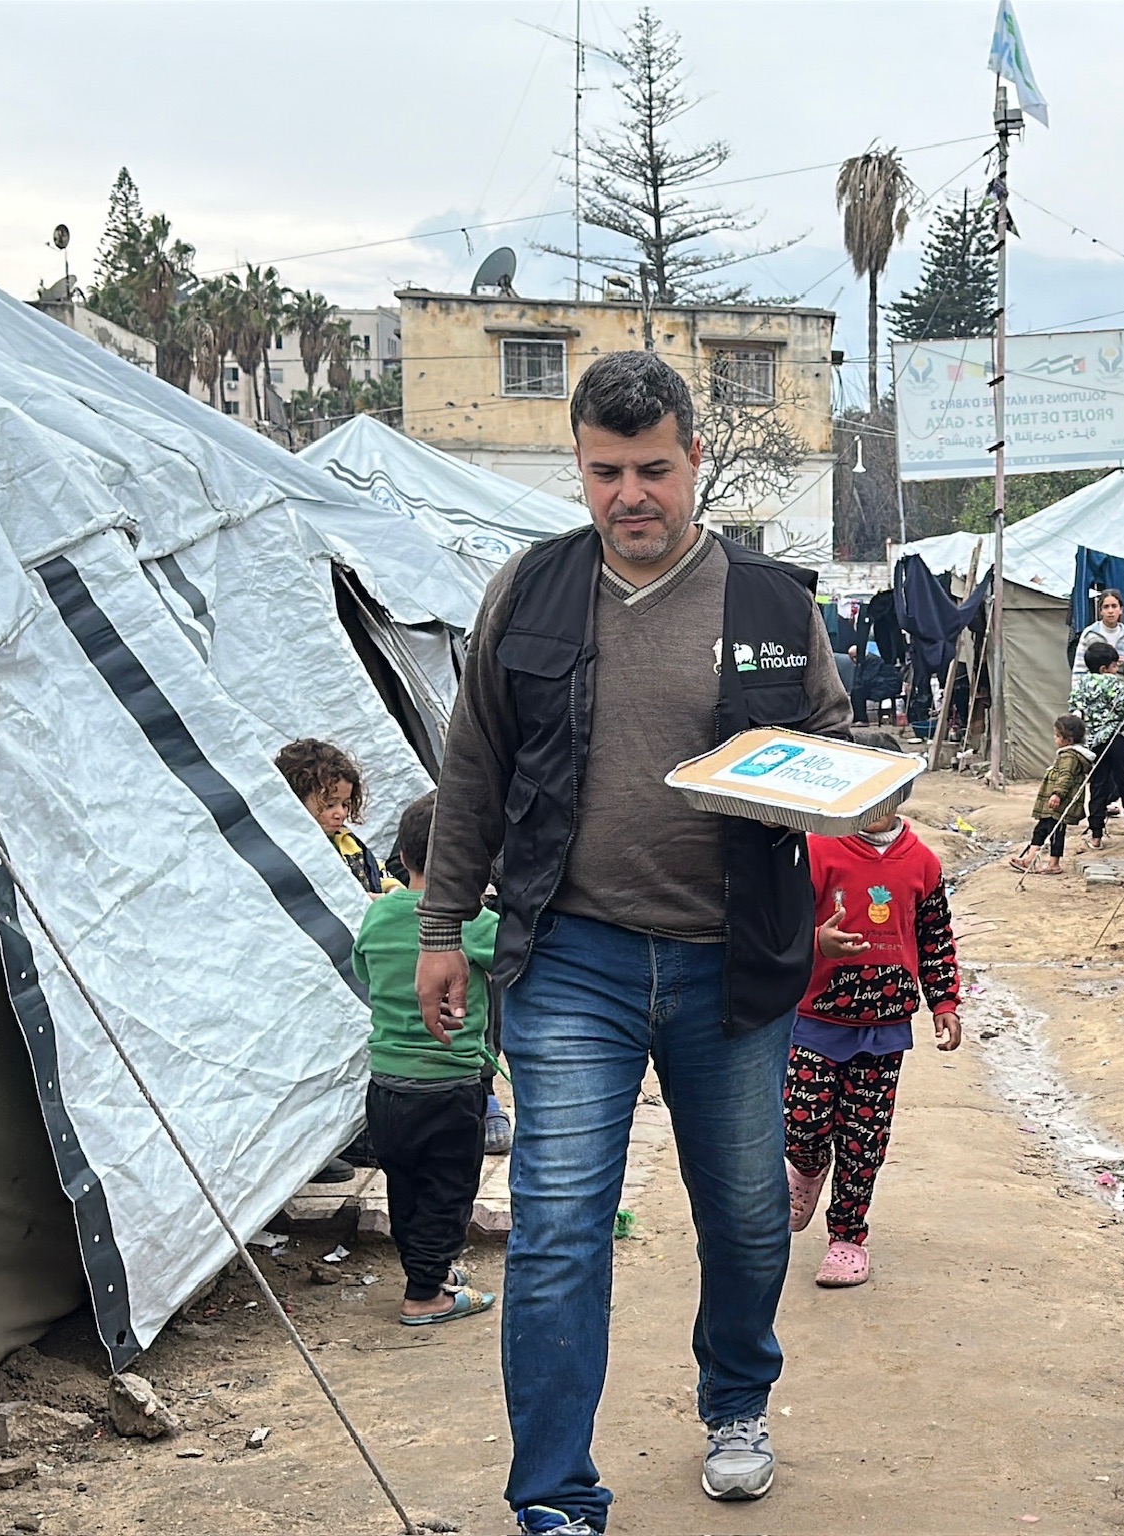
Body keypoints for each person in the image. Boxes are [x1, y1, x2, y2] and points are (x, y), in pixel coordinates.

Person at [414, 350, 851, 1534]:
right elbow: (475, 771)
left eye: (653, 469)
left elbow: (832, 740)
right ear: (580, 470)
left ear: (695, 459)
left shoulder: (770, 603)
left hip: (733, 959)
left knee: (750, 1213)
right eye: (606, 473)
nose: (631, 497)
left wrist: (858, 795)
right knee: (559, 1225)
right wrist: (444, 923)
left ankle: (737, 1399)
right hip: (573, 958)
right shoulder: (532, 592)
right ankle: (555, 1493)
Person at [783, 797, 963, 1288]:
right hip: (814, 1019)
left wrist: (944, 1002)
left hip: (883, 1031)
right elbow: (783, 923)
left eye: (887, 795)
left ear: (902, 794)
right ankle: (806, 1166)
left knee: (864, 1138)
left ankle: (847, 1239)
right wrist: (815, 939)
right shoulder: (818, 849)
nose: (875, 807)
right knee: (800, 1120)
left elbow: (935, 936)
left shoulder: (922, 861)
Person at [352, 795, 500, 1326]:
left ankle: (427, 1270)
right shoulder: (476, 922)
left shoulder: (379, 913)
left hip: (387, 1084)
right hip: (450, 1083)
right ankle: (424, 1296)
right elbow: (513, 961)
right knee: (449, 1189)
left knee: (406, 1184)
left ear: (403, 854)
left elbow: (365, 972)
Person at [277, 738, 395, 895]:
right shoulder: (292, 853)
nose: (341, 813)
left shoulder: (346, 840)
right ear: (295, 800)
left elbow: (377, 871)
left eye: (345, 804)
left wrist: (394, 891)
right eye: (329, 805)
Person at [1071, 641, 1124, 849]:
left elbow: (1074, 707)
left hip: (1093, 743)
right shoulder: (1112, 683)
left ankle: (1096, 835)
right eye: (1115, 666)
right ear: (1105, 668)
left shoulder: (1082, 683)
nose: (1118, 670)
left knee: (1098, 786)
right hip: (1115, 739)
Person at [1010, 715, 1092, 876]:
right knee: (1042, 829)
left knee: (1056, 831)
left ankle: (1054, 864)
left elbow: (1065, 776)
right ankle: (1029, 859)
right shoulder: (1066, 754)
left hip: (1060, 802)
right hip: (1056, 803)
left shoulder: (1069, 756)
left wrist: (1057, 794)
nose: (1054, 738)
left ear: (1068, 739)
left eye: (1057, 735)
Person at [1071, 588, 1124, 688]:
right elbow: (1079, 667)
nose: (1110, 611)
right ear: (1100, 611)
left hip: (1120, 691)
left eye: (1114, 606)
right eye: (1106, 607)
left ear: (1121, 609)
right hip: (1094, 691)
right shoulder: (1090, 633)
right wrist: (1077, 691)